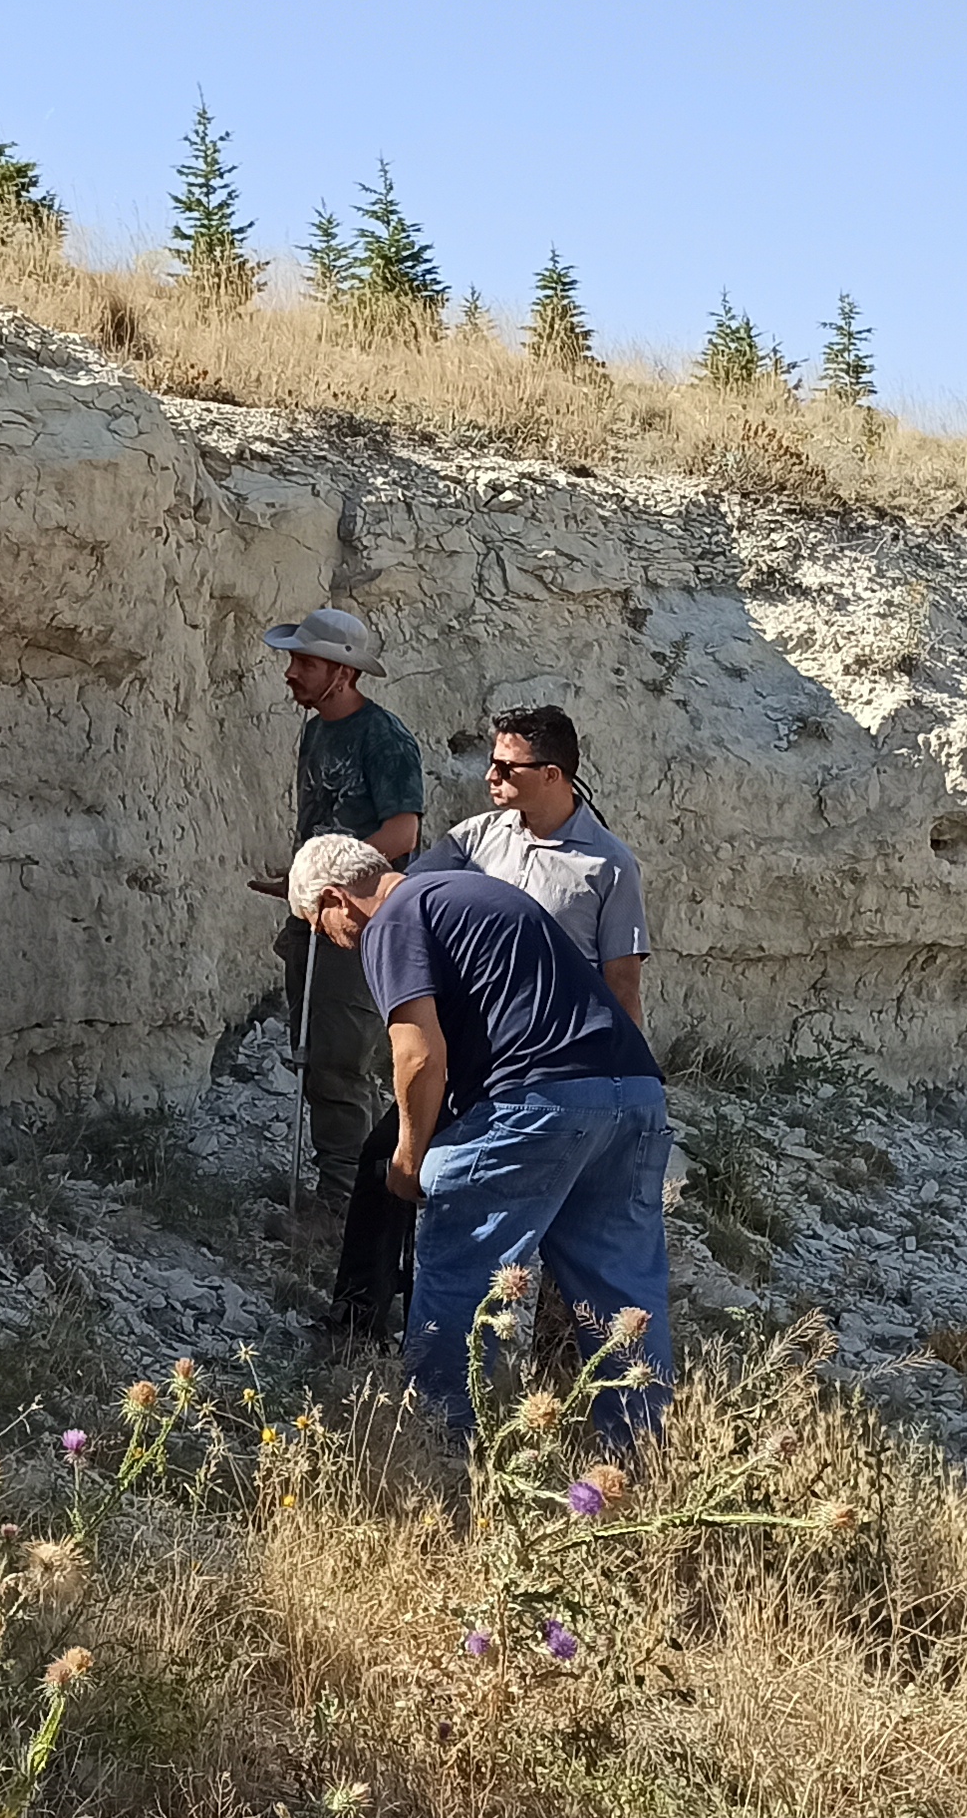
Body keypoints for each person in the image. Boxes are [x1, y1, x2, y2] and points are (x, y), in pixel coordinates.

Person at [289, 831, 673, 1441]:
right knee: (623, 1298)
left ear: (336, 898)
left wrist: (408, 1160)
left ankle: (440, 1449)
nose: (325, 938)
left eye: (316, 923)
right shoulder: (472, 892)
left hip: (538, 1105)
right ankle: (642, 1456)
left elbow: (417, 1055)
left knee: (459, 1280)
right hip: (634, 1094)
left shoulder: (393, 918)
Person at [234, 608, 420, 1332]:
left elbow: (402, 833)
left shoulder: (385, 738)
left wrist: (334, 882)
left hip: (357, 915)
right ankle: (336, 1181)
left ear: (342, 670)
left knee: (341, 1052)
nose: (292, 673)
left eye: (306, 663)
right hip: (320, 905)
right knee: (312, 1046)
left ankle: (345, 1196)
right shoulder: (316, 731)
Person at [434, 704, 647, 1031]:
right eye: (493, 764)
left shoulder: (611, 865)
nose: (491, 776)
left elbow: (622, 987)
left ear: (551, 774)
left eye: (506, 768)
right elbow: (409, 896)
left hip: (558, 1047)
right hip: (472, 1034)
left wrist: (630, 1073)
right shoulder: (472, 838)